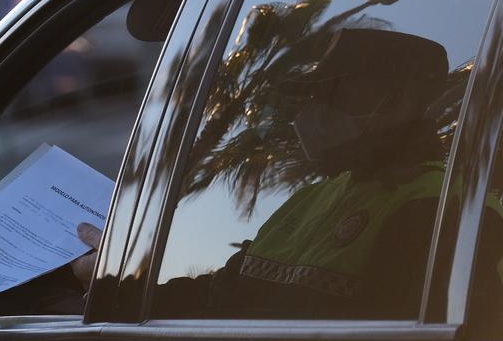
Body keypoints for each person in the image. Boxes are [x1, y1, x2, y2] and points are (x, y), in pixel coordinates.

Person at [157, 27, 461, 319]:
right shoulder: (310, 198)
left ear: (396, 101)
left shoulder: (438, 209)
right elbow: (221, 291)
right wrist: (119, 297)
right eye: (313, 97)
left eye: (332, 94)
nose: (312, 113)